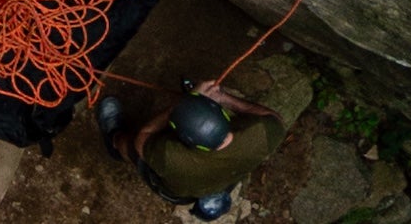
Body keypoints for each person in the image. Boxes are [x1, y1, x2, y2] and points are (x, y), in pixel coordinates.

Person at [97, 81, 287, 220]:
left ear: (185, 141)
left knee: (130, 147)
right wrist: (222, 97)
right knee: (216, 181)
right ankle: (211, 197)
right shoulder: (263, 132)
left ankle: (113, 141)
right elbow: (272, 116)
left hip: (181, 187)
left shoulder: (173, 158)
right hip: (226, 176)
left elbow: (143, 137)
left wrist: (177, 108)